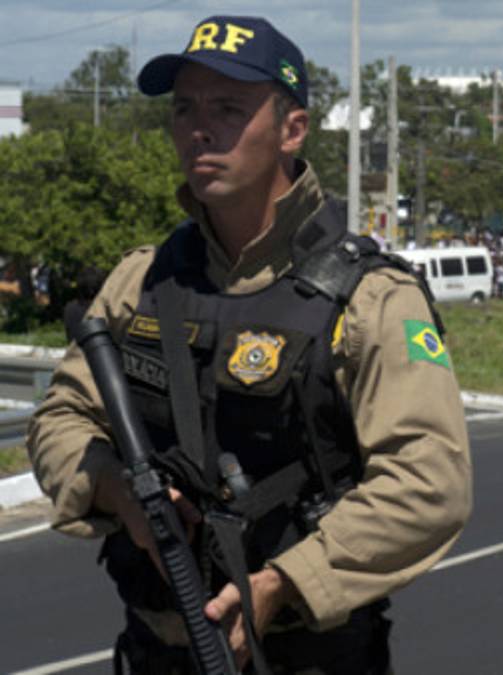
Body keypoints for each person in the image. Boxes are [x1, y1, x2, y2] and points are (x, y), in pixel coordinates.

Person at [26, 16, 472, 674]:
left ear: (292, 128)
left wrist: (282, 582)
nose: (200, 128)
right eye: (185, 108)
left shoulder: (369, 298)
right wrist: (120, 493)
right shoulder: (142, 279)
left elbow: (430, 483)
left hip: (304, 654)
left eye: (229, 108)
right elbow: (61, 417)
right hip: (156, 652)